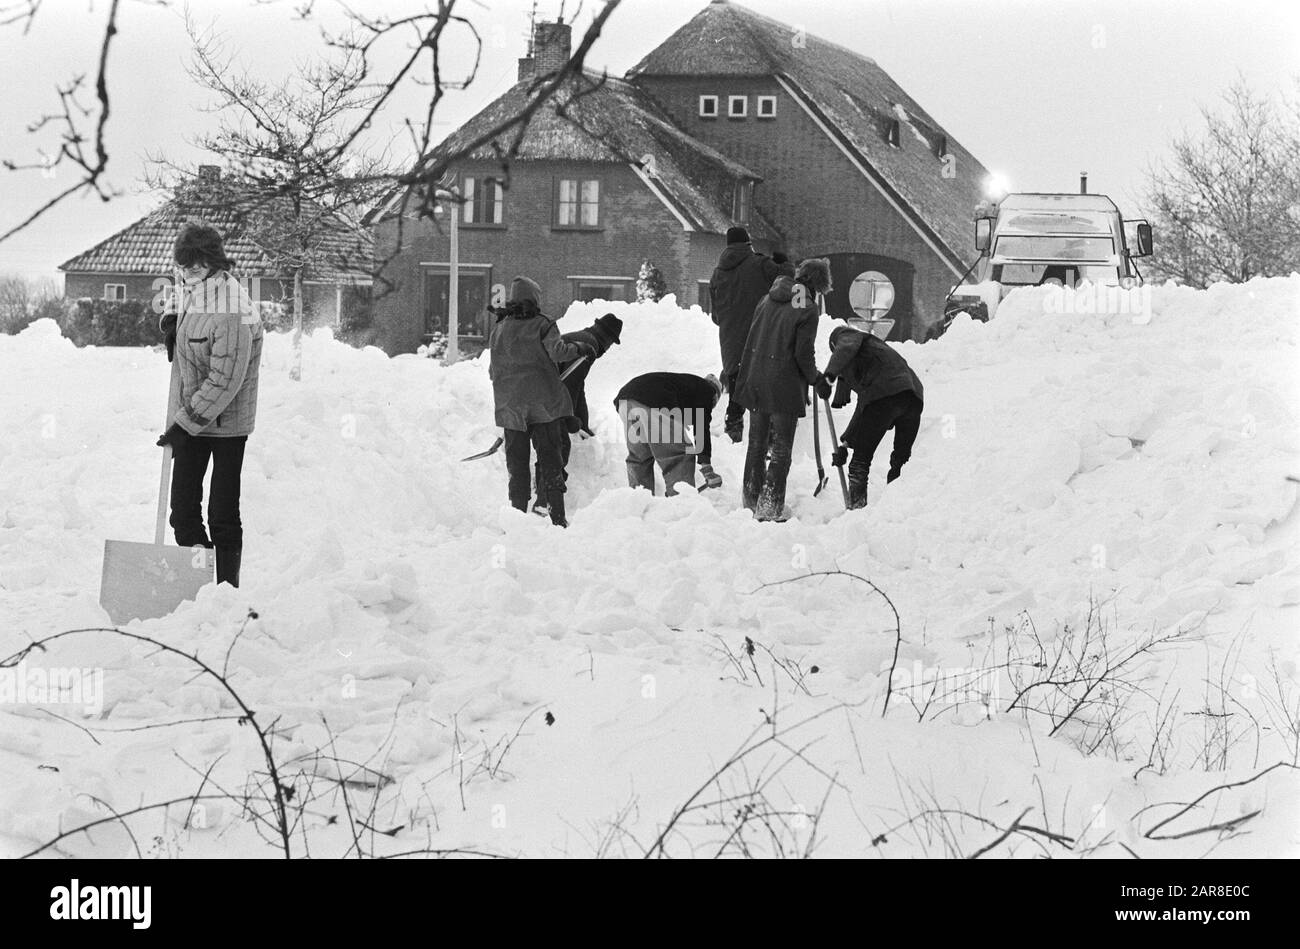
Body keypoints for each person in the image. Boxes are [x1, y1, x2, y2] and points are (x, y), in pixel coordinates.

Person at [156, 223, 264, 588]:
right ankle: (201, 583)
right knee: (183, 513)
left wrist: (183, 425)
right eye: (184, 267)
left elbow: (224, 381)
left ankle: (225, 591)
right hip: (194, 415)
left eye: (196, 267)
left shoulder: (233, 309)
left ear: (214, 264)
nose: (188, 274)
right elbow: (181, 295)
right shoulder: (193, 286)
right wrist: (171, 319)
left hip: (226, 423)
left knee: (221, 514)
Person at [488, 276, 595, 527]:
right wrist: (580, 348)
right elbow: (558, 352)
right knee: (551, 462)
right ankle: (557, 517)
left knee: (517, 465)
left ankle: (517, 517)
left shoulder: (499, 329)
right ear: (535, 298)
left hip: (510, 409)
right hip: (543, 407)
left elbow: (493, 370)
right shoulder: (543, 325)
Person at [734, 258, 831, 521]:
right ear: (817, 284)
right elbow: (803, 353)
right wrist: (816, 379)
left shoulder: (768, 299)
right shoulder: (806, 308)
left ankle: (750, 502)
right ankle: (769, 509)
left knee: (756, 445)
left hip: (756, 380)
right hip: (782, 386)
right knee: (780, 450)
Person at [819, 324, 924, 509]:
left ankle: (857, 515)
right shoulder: (875, 356)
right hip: (913, 398)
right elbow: (864, 407)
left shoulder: (846, 336)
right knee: (901, 462)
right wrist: (845, 444)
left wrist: (829, 377)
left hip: (886, 395)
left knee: (859, 463)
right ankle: (894, 514)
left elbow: (844, 349)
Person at [531, 312, 623, 516]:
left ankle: (541, 492)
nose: (607, 350)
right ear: (607, 339)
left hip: (536, 391)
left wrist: (584, 425)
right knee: (559, 445)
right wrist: (568, 418)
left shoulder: (584, 338)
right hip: (546, 397)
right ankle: (544, 500)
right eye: (611, 344)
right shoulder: (588, 348)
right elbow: (568, 384)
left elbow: (577, 386)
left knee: (548, 445)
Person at [708, 226, 784, 443]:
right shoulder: (761, 264)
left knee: (737, 384)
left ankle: (733, 431)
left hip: (730, 341)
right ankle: (767, 437)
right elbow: (786, 282)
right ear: (748, 243)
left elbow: (716, 316)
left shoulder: (717, 272)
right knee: (762, 385)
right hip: (759, 337)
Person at [613, 372, 723, 497]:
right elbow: (701, 425)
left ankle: (639, 506)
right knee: (679, 457)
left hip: (626, 402)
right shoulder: (706, 390)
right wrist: (707, 467)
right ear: (715, 395)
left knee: (639, 459)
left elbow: (691, 429)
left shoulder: (686, 388)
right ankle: (681, 504)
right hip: (654, 401)